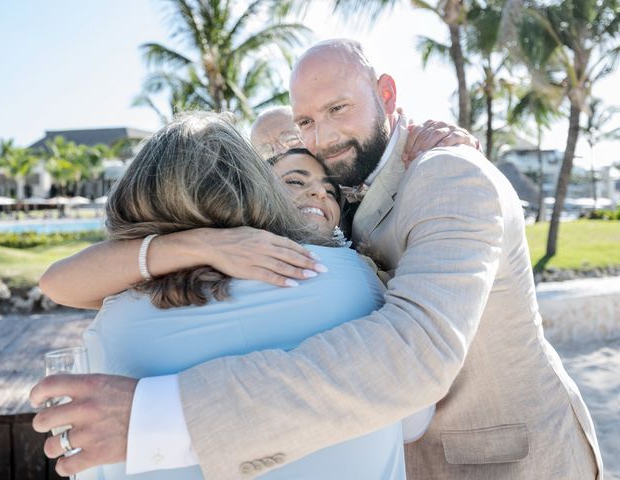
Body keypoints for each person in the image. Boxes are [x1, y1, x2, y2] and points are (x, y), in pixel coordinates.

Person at [31, 38, 602, 480]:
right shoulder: (338, 195)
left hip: (504, 462)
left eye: (338, 108)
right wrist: (196, 245)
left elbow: (415, 354)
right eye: (306, 121)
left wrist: (159, 415)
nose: (322, 136)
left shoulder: (448, 173)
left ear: (387, 95)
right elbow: (64, 281)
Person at [68, 112, 437, 479]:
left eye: (330, 190)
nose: (317, 194)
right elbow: (412, 419)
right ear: (258, 186)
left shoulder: (115, 324)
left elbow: (90, 464)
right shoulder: (356, 281)